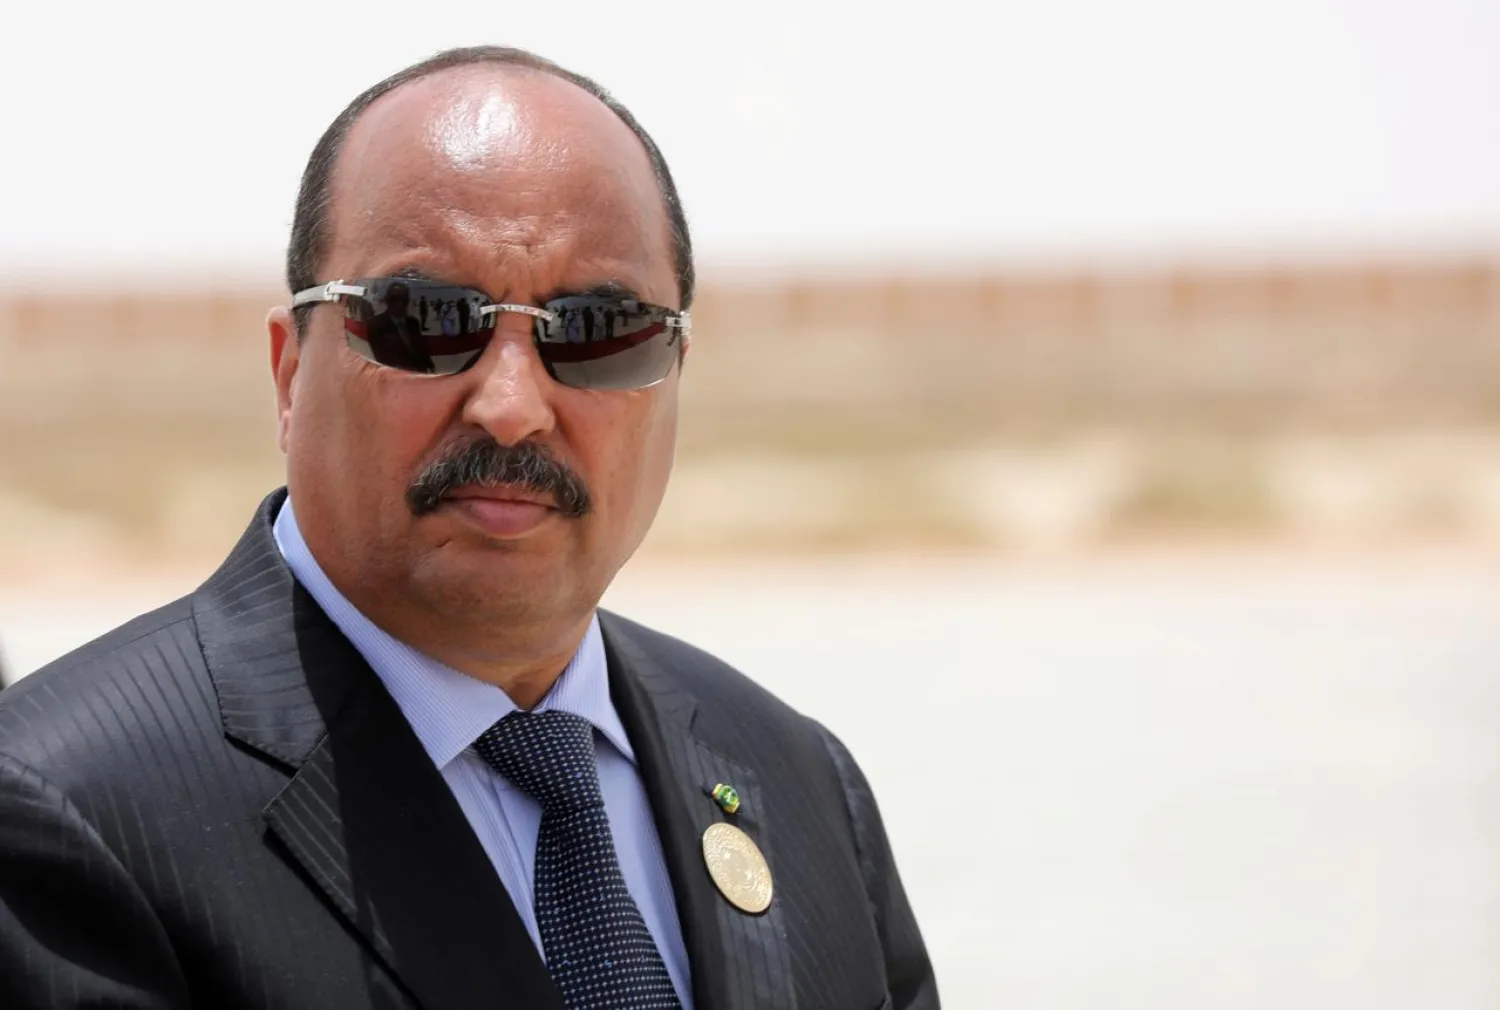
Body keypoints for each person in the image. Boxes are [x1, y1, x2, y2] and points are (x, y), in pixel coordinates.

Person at [0, 46, 938, 1010]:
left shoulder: (801, 786)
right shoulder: (63, 823)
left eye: (597, 330)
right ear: (289, 374)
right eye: (424, 318)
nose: (511, 405)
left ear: (674, 373)